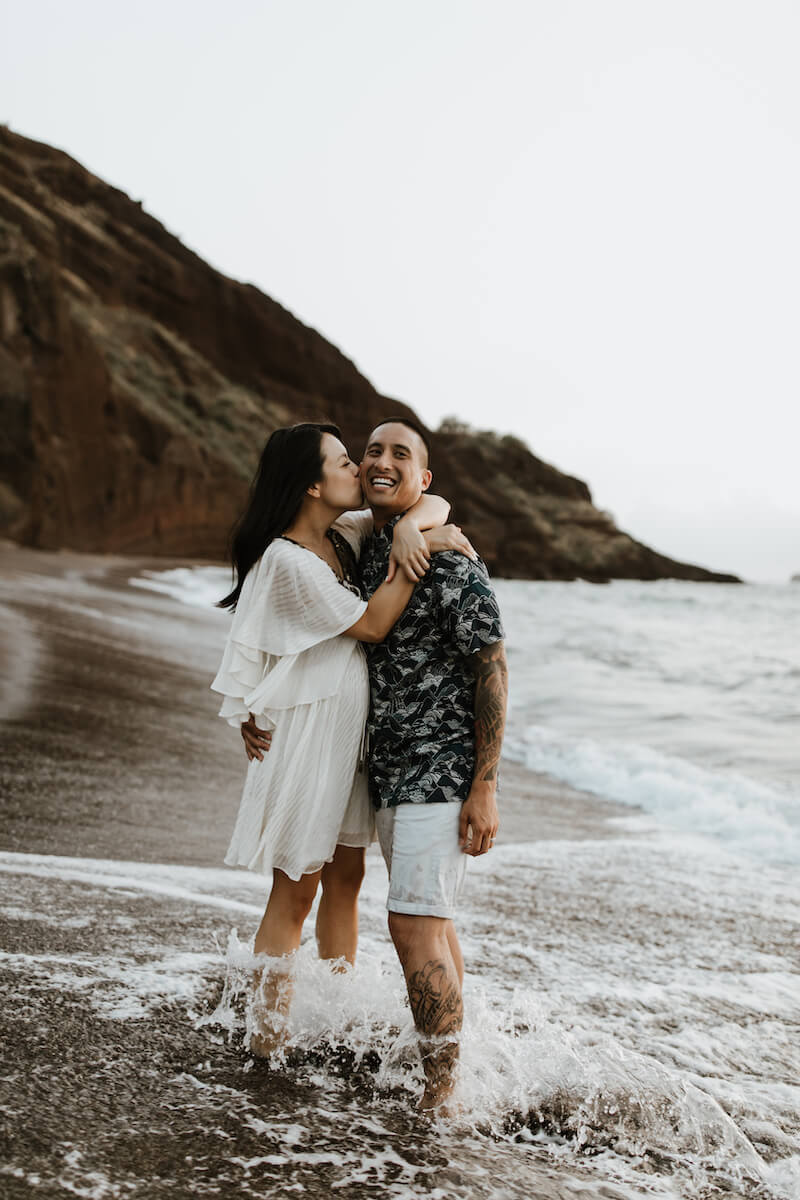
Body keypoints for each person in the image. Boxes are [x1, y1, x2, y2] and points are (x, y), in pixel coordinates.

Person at [243, 418, 508, 1110]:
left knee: (408, 915)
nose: (373, 464)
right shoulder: (335, 551)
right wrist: (250, 702)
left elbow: (493, 665)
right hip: (358, 757)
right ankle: (284, 1043)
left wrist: (485, 784)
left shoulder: (416, 553)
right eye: (364, 454)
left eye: (399, 455)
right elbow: (355, 626)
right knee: (388, 909)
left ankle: (441, 1092)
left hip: (426, 767)